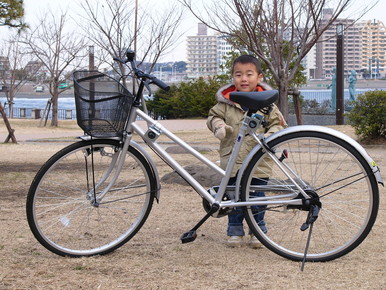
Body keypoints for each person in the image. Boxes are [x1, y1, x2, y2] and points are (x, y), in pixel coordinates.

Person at [207, 55, 287, 248]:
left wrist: (271, 136)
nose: (243, 79)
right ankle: (235, 230)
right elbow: (212, 117)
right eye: (238, 74)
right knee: (233, 196)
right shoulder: (225, 103)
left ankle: (257, 230)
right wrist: (219, 126)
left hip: (259, 163)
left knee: (257, 198)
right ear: (232, 78)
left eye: (249, 74)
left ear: (259, 78)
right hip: (232, 161)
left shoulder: (267, 104)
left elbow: (279, 124)